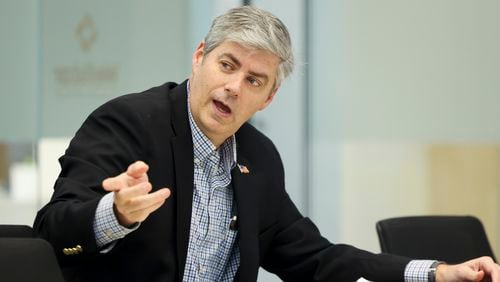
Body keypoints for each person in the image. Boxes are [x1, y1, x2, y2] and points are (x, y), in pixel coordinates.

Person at [34, 5, 499, 282]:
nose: (235, 86)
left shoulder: (258, 157)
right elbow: (52, 231)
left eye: (254, 79)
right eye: (227, 64)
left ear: (269, 96)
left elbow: (317, 259)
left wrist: (438, 273)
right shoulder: (131, 121)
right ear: (200, 58)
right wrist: (114, 215)